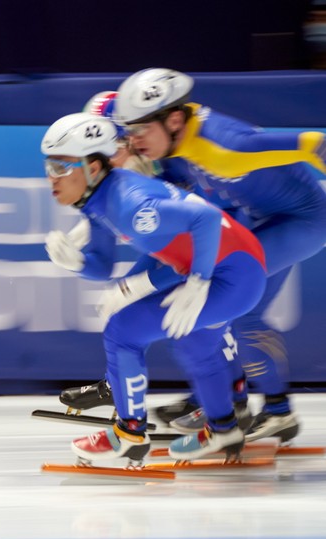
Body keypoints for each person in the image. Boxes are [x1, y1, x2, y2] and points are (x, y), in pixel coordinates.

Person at [110, 68, 326, 443]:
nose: (134, 140)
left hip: (304, 220)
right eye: (129, 131)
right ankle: (270, 410)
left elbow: (314, 143)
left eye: (141, 129)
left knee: (226, 298)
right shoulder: (173, 149)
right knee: (240, 310)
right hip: (259, 217)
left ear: (174, 118)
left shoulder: (226, 146)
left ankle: (228, 403)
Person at [42, 112, 267, 463]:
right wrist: (77, 263)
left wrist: (198, 280)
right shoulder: (97, 199)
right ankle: (225, 430)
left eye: (61, 166)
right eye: (49, 167)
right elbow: (102, 265)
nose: (51, 178)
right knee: (194, 341)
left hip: (234, 275)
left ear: (94, 168)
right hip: (233, 264)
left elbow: (206, 219)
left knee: (124, 332)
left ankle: (129, 434)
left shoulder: (130, 205)